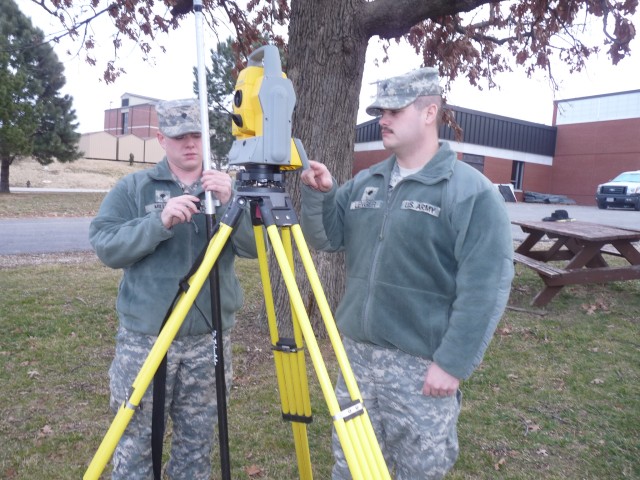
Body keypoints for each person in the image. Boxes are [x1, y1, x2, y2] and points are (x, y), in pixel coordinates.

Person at [300, 68, 514, 479]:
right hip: (357, 361)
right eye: (381, 111)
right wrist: (321, 194)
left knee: (419, 470)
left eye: (394, 110)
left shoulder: (470, 191)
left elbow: (486, 287)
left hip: (420, 369)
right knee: (353, 466)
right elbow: (326, 237)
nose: (383, 119)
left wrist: (452, 363)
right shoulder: (368, 182)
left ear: (429, 111)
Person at [89, 98, 257, 479]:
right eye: (180, 136)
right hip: (146, 339)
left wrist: (233, 203)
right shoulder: (135, 187)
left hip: (208, 340)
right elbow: (105, 245)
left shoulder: (226, 190)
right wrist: (157, 223)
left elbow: (254, 250)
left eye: (197, 135)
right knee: (135, 444)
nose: (190, 144)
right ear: (162, 139)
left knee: (196, 446)